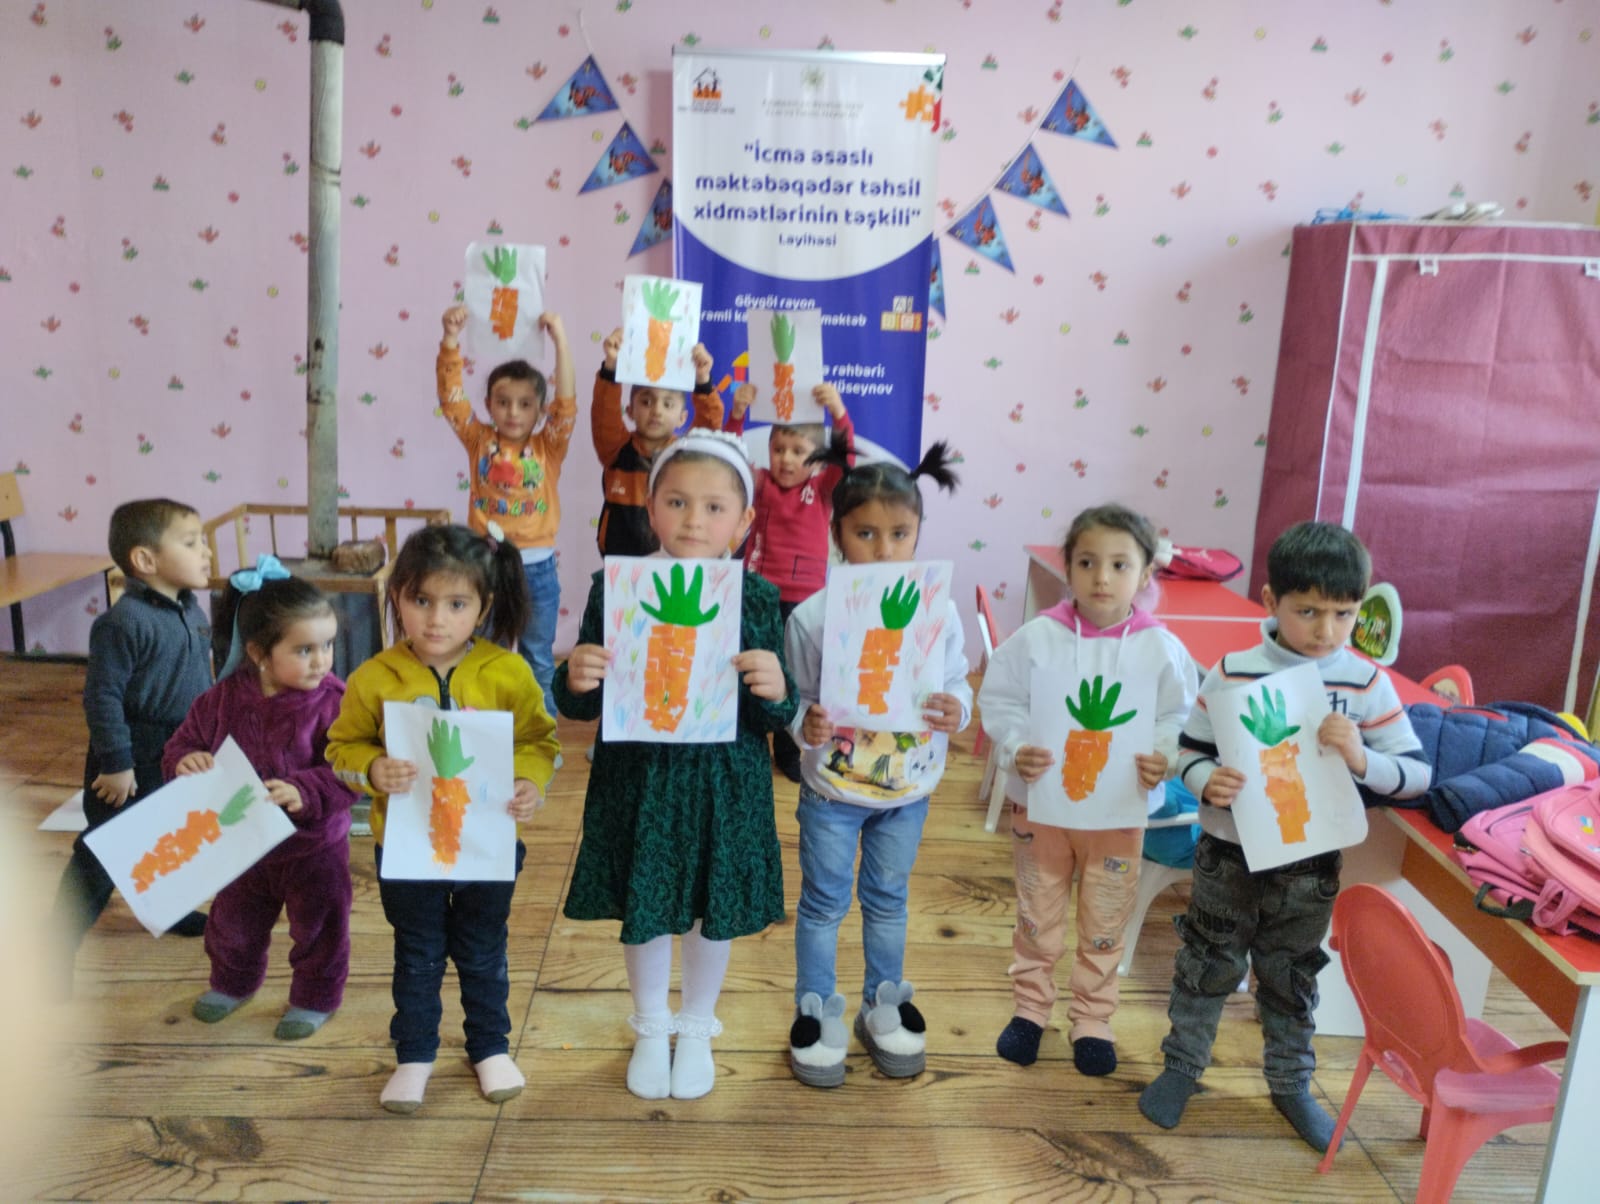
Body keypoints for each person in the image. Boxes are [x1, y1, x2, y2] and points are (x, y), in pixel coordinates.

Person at [1138, 520, 1432, 1152]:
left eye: (1343, 614)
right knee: (1206, 965)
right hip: (1227, 855)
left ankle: (1291, 1084)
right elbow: (1188, 749)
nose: (1326, 630)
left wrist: (1361, 758)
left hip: (1310, 864)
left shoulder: (1365, 682)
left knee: (1291, 977)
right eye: (1308, 612)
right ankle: (1181, 1068)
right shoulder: (1233, 670)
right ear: (1271, 603)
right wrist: (1205, 777)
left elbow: (1416, 774)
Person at [555, 429, 796, 1101]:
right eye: (679, 502)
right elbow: (583, 701)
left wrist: (779, 690)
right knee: (648, 900)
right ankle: (651, 1024)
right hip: (641, 782)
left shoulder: (754, 600)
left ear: (744, 522)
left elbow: (776, 716)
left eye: (716, 507)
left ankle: (695, 1025)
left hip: (724, 784)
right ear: (651, 508)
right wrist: (575, 677)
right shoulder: (617, 589)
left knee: (705, 909)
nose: (695, 521)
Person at [325, 523, 559, 1114]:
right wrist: (372, 768)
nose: (436, 619)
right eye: (420, 600)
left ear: (484, 606)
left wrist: (530, 781)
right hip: (407, 850)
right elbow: (339, 749)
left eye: (456, 604)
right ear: (396, 596)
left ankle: (489, 1046)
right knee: (418, 951)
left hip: (486, 847)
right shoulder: (374, 677)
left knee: (484, 948)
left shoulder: (508, 674)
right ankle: (415, 1054)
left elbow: (540, 739)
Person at [977, 504, 1198, 1078]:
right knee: (1037, 910)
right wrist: (1014, 746)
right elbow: (999, 701)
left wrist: (1166, 757)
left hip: (1119, 816)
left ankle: (1094, 1018)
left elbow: (1178, 717)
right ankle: (1030, 1009)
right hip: (1043, 808)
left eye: (1120, 564)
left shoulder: (1162, 649)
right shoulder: (1037, 639)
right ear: (1068, 569)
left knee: (1105, 919)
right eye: (1087, 562)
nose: (1102, 577)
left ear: (1145, 573)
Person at [781, 432, 969, 1087]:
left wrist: (956, 710)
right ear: (837, 534)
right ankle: (817, 1011)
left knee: (889, 900)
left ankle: (881, 1003)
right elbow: (794, 699)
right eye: (865, 534)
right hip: (833, 794)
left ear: (918, 533)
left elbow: (959, 683)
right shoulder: (813, 618)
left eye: (899, 533)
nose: (883, 549)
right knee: (824, 904)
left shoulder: (940, 613)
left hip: (907, 794)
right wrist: (806, 723)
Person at [162, 568, 355, 1040]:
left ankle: (314, 997)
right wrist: (187, 761)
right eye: (304, 650)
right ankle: (232, 983)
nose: (321, 661)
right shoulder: (220, 700)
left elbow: (353, 770)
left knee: (320, 928)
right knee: (232, 924)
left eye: (327, 646)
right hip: (241, 844)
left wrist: (305, 790)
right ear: (258, 654)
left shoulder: (336, 703)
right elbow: (180, 745)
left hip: (313, 850)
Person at [51, 498, 213, 984]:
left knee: (171, 837)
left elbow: (198, 679)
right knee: (106, 851)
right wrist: (116, 762)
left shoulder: (191, 609)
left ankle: (170, 909)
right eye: (191, 543)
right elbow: (102, 699)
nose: (206, 551)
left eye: (203, 540)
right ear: (145, 560)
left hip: (179, 747)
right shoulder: (122, 623)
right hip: (132, 752)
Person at [437, 304, 576, 724]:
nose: (513, 412)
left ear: (539, 410)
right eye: (503, 402)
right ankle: (481, 729)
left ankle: (542, 734)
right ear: (490, 405)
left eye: (525, 404)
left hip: (537, 570)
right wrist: (450, 340)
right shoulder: (479, 439)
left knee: (537, 655)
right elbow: (451, 399)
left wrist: (561, 341)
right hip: (487, 565)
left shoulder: (549, 445)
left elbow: (566, 403)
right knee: (482, 652)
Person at [724, 381, 856, 781]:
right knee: (753, 668)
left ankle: (788, 747)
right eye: (778, 449)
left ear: (816, 461)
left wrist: (838, 413)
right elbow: (728, 464)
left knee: (795, 675)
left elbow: (846, 458)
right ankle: (748, 741)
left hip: (805, 602)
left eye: (798, 452)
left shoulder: (822, 489)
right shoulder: (760, 485)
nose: (785, 459)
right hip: (759, 595)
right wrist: (736, 415)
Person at [591, 326, 724, 558]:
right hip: (618, 566)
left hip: (670, 561)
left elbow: (709, 427)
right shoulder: (616, 449)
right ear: (630, 411)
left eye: (668, 404)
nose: (656, 411)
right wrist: (611, 366)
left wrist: (702, 381)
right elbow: (604, 413)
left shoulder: (683, 454)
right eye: (646, 402)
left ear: (683, 417)